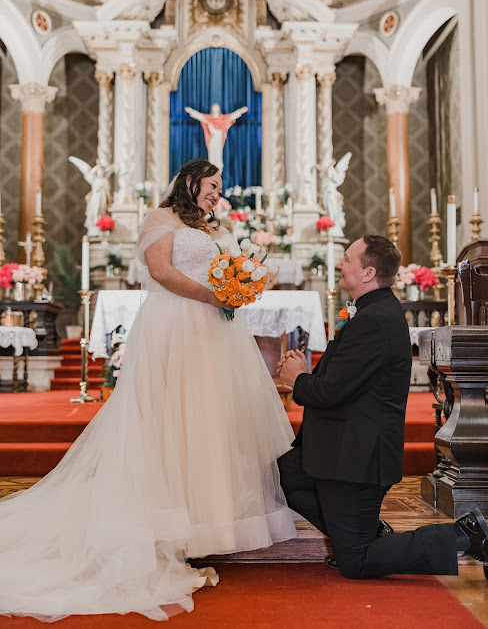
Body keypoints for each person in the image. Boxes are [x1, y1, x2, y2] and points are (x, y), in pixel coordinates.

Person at [0, 158, 295, 621]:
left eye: (221, 188)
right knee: (172, 421)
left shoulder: (219, 225)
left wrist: (242, 288)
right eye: (212, 186)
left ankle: (209, 526)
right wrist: (216, 296)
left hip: (218, 335)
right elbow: (162, 272)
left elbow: (233, 270)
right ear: (191, 182)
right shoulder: (161, 219)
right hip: (173, 328)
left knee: (212, 422)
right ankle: (167, 524)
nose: (217, 194)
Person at [277, 234, 488, 579]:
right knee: (283, 476)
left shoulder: (374, 321)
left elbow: (330, 391)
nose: (339, 265)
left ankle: (463, 535)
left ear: (368, 272)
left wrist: (297, 378)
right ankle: (369, 534)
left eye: (346, 259)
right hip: (338, 446)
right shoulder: (374, 312)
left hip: (354, 460)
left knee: (355, 562)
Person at [184, 103, 248, 171]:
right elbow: (200, 116)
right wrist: (191, 111)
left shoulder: (223, 119)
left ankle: (218, 172)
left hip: (219, 140)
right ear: (211, 109)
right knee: (211, 156)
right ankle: (211, 172)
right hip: (212, 140)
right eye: (214, 107)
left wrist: (240, 111)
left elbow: (232, 116)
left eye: (216, 107)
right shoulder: (208, 119)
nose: (215, 108)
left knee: (218, 156)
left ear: (219, 109)